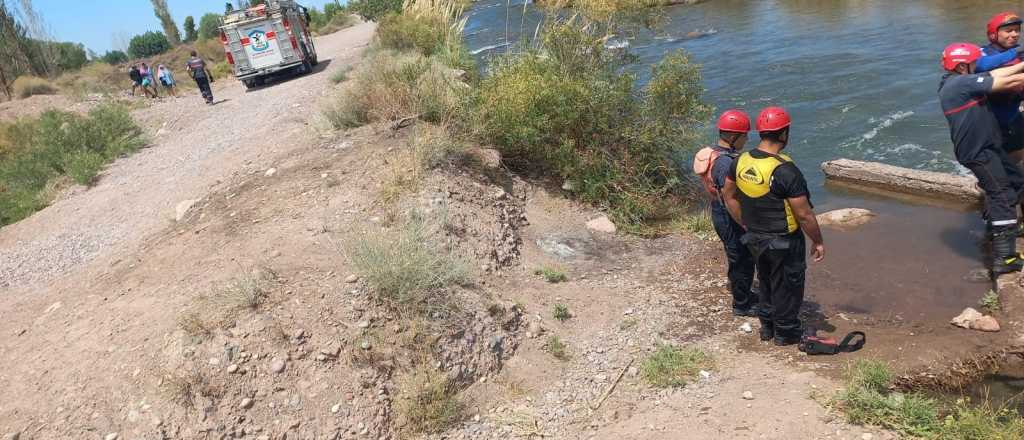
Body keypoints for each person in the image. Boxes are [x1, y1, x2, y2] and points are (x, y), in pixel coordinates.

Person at [721, 107, 825, 346]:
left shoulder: (740, 161)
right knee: (788, 284)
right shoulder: (786, 170)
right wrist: (818, 241)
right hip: (784, 239)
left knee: (766, 280)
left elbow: (729, 196)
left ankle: (767, 326)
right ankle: (786, 332)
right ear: (784, 134)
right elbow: (804, 214)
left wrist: (744, 223)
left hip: (754, 237)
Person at [938, 42, 1024, 275]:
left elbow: (996, 73)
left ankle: (1000, 225)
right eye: (974, 62)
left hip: (988, 147)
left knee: (1016, 180)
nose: (978, 65)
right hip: (978, 151)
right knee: (1003, 195)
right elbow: (1006, 82)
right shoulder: (959, 84)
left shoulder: (958, 81)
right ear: (962, 65)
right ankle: (1005, 258)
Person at [693, 110, 757, 316]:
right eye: (744, 135)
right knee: (742, 257)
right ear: (732, 137)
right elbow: (730, 198)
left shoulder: (714, 153)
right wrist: (745, 223)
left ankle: (742, 291)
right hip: (728, 214)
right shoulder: (725, 163)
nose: (746, 139)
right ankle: (742, 304)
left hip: (718, 210)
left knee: (737, 254)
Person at [976, 12, 1024, 164]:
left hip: (1014, 115)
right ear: (993, 35)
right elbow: (981, 65)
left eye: (1017, 30)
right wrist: (1016, 51)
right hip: (991, 120)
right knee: (995, 161)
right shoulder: (982, 52)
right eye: (1009, 31)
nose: (1015, 34)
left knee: (1018, 155)